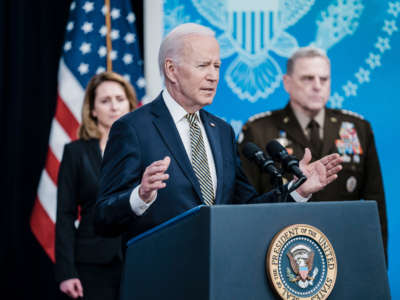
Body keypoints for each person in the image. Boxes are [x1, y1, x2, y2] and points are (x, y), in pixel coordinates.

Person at [94, 24, 342, 242]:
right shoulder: (133, 128)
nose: (213, 76)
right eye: (203, 65)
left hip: (220, 275)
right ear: (171, 70)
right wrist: (140, 196)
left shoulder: (221, 131)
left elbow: (245, 208)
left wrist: (299, 190)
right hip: (161, 278)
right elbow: (102, 218)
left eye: (217, 66)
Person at [238, 46, 388, 260]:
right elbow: (245, 207)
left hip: (344, 254)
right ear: (287, 83)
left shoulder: (357, 128)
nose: (317, 86)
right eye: (308, 78)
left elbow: (376, 205)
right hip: (280, 258)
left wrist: (377, 265)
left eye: (324, 79)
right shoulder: (259, 131)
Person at [55, 72, 138, 299]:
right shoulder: (75, 152)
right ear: (92, 110)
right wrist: (66, 272)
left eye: (120, 99)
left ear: (130, 104)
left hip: (138, 257)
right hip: (91, 264)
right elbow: (64, 215)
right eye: (105, 100)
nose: (114, 107)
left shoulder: (144, 148)